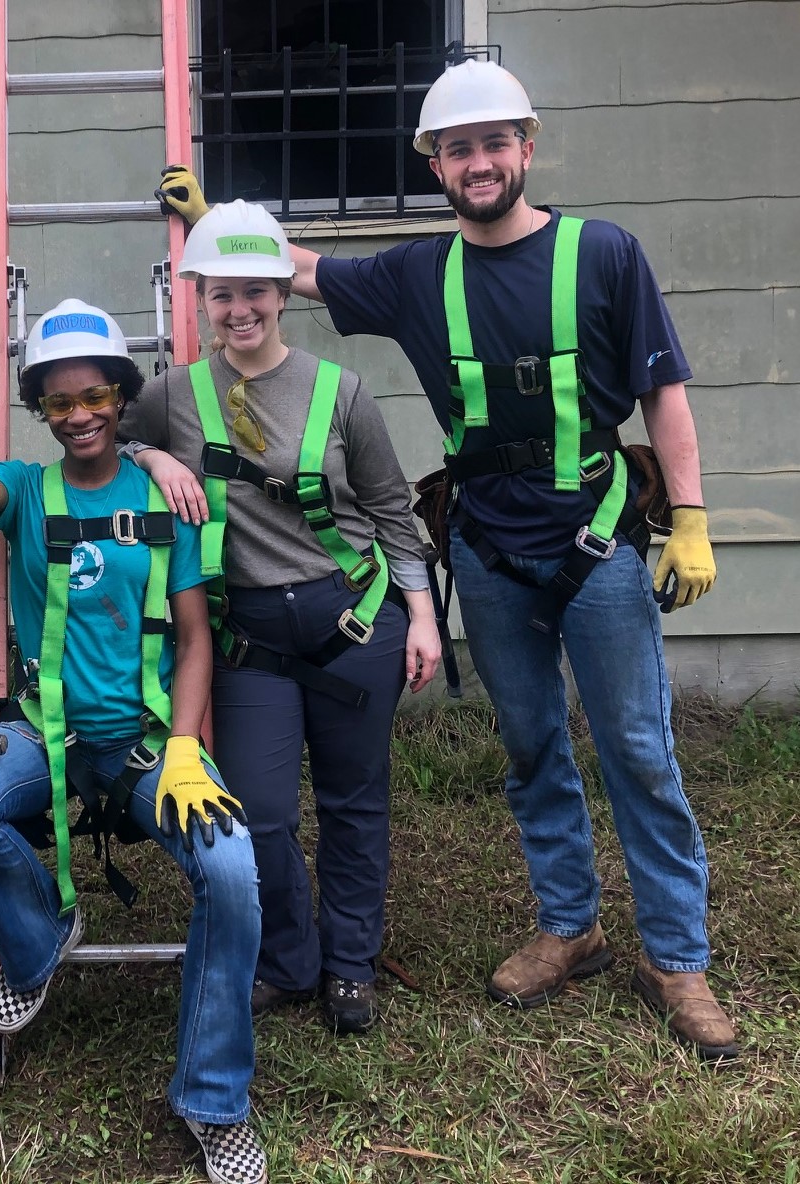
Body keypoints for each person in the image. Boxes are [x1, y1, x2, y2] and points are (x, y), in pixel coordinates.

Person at [158, 58, 737, 1060]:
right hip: (488, 548)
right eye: (457, 147)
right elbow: (300, 273)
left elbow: (665, 391)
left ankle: (679, 959)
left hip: (596, 539)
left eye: (494, 142)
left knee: (637, 748)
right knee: (530, 744)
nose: (478, 161)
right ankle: (571, 924)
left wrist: (689, 515)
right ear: (435, 161)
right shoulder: (422, 273)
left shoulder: (604, 256)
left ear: (527, 146)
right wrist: (225, 229)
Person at [0, 300, 268, 1184]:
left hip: (147, 742)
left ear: (120, 396)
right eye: (57, 401)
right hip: (44, 733)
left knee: (230, 874)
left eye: (94, 396)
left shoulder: (164, 497)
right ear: (39, 407)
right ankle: (39, 944)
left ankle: (212, 1100)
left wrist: (185, 747)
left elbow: (192, 639)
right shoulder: (28, 492)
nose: (77, 415)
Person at [116, 202, 440, 1035]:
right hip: (248, 633)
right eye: (222, 295)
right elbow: (101, 440)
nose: (240, 311)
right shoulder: (172, 396)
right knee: (257, 810)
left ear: (280, 295)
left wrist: (424, 618)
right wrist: (149, 452)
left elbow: (391, 508)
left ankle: (350, 966)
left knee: (353, 800)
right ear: (200, 301)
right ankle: (290, 959)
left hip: (352, 619)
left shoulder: (340, 391)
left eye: (255, 292)